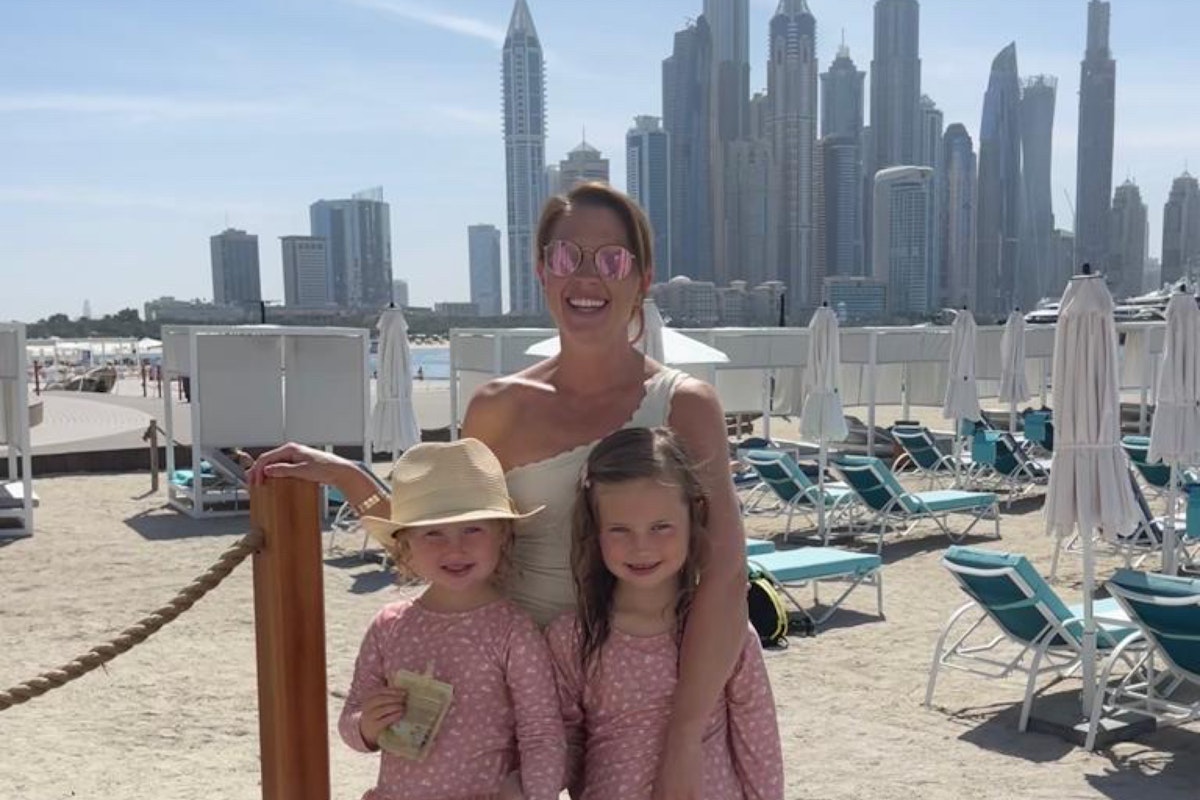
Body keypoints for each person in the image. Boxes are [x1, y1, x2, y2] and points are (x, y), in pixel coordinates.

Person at [249, 182, 749, 799]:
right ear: (542, 270)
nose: (587, 276)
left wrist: (684, 731)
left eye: (612, 259)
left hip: (635, 681)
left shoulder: (685, 405)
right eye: (567, 256)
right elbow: (446, 529)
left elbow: (725, 576)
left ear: (642, 278)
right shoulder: (498, 408)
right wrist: (348, 476)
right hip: (506, 687)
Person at [547, 427, 782, 800]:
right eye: (620, 529)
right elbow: (567, 740)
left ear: (694, 517)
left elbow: (759, 750)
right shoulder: (572, 636)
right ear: (595, 531)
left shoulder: (727, 635)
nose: (642, 547)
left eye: (661, 527)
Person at [338, 439, 565, 800]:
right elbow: (351, 719)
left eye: (472, 529)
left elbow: (542, 734)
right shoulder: (389, 625)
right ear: (406, 545)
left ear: (501, 535)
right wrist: (366, 726)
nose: (454, 548)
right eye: (433, 533)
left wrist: (534, 793)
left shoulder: (512, 631)